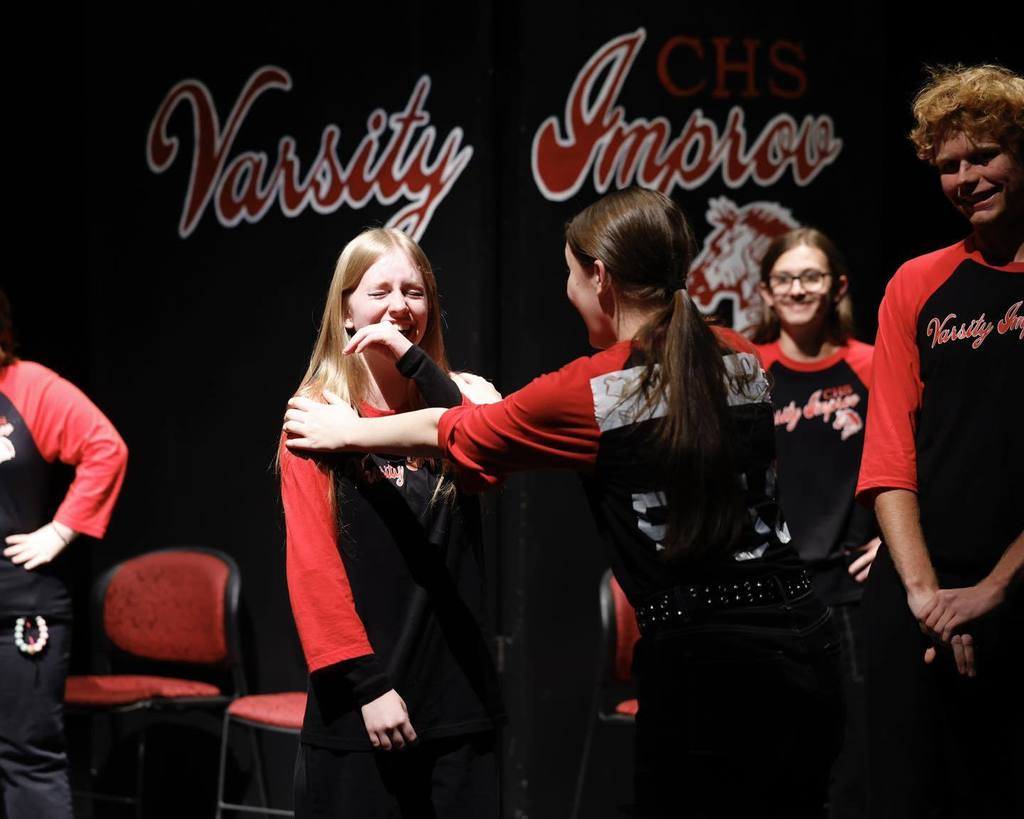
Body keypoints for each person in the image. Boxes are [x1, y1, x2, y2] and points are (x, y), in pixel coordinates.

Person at [284, 189, 842, 819]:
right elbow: (315, 567)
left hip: (706, 667)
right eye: (377, 292)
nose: (568, 290)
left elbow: (472, 441)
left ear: (599, 277)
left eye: (571, 274)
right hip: (803, 641)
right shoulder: (739, 353)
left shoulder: (593, 390)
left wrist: (350, 433)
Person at [278, 227, 504, 819]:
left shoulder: (466, 398)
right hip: (365, 704)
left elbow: (486, 467)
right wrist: (369, 687)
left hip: (459, 700)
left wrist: (416, 363)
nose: (399, 307)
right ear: (346, 308)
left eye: (415, 292)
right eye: (379, 292)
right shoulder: (316, 418)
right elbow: (312, 570)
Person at [854, 64, 1024, 819]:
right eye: (949, 164)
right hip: (920, 590)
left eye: (985, 155)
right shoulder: (915, 283)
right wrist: (927, 596)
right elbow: (889, 450)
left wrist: (993, 592)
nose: (966, 177)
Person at [753, 228, 877, 819]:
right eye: (786, 278)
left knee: (856, 763)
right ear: (766, 292)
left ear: (837, 287)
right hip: (769, 598)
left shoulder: (870, 366)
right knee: (772, 760)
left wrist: (896, 539)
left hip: (852, 595)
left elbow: (924, 456)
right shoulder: (748, 370)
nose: (799, 288)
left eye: (812, 277)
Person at [0, 288, 128, 819]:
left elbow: (106, 447)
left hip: (19, 610)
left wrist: (60, 529)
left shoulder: (27, 385)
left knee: (27, 759)